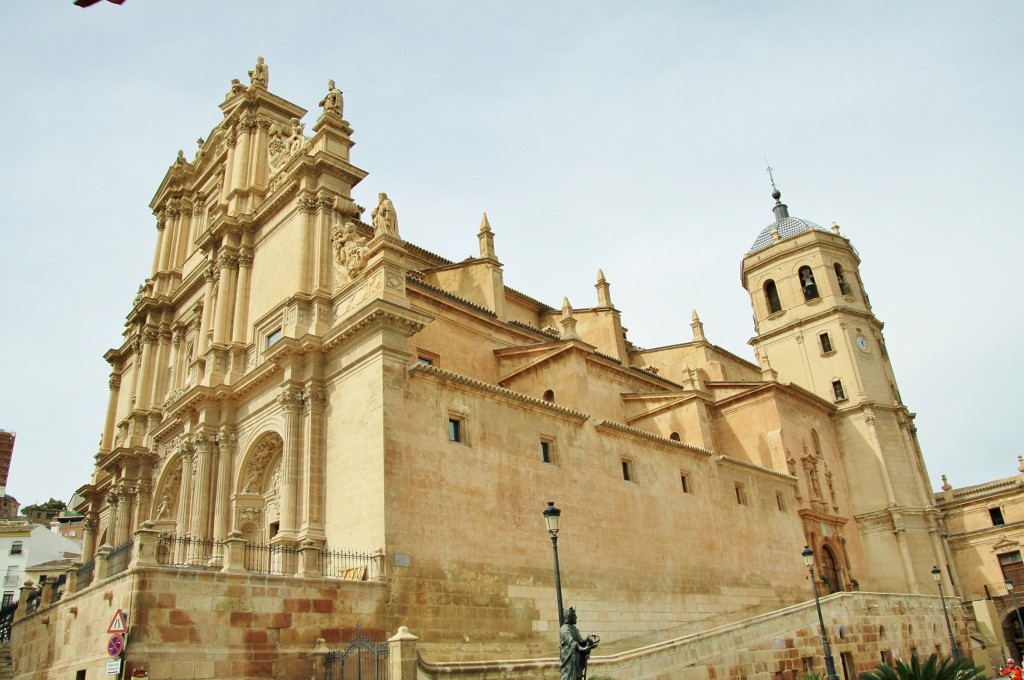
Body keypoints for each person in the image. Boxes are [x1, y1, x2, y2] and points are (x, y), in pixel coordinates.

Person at [559, 607, 597, 680]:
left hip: (577, 658)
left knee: (578, 676)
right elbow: (572, 642)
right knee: (569, 677)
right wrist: (582, 648)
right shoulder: (564, 629)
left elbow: (580, 641)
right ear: (569, 617)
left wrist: (587, 642)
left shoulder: (575, 629)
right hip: (569, 660)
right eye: (574, 616)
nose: (576, 617)